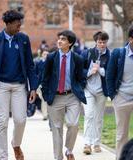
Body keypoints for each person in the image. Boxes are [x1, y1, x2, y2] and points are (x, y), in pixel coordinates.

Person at [0, 10, 37, 160]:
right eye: (17, 25)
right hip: (1, 86)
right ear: (9, 24)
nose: (19, 28)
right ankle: (3, 157)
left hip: (19, 86)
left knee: (20, 120)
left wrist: (33, 87)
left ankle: (15, 144)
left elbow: (30, 65)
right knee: (2, 121)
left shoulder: (23, 39)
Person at [41, 30, 86, 160]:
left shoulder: (78, 59)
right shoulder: (51, 57)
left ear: (70, 43)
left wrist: (79, 89)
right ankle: (58, 157)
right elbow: (45, 77)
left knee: (73, 124)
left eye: (63, 39)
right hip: (55, 97)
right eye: (59, 39)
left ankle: (68, 149)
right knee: (56, 129)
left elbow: (81, 78)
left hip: (72, 96)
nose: (59, 41)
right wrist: (46, 94)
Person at [106, 25, 133, 160]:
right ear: (131, 39)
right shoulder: (118, 53)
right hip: (121, 99)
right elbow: (109, 76)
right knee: (122, 134)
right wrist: (113, 97)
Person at [82, 31, 110, 154]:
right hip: (88, 89)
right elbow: (80, 71)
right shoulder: (87, 53)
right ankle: (87, 144)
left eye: (104, 42)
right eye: (100, 42)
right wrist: (89, 72)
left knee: (98, 118)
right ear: (96, 42)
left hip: (102, 91)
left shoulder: (110, 55)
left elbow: (111, 73)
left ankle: (97, 143)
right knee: (89, 115)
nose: (102, 44)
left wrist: (100, 70)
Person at [35, 49, 49, 120]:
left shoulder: (50, 63)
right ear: (42, 55)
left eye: (47, 54)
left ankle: (46, 114)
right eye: (44, 54)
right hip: (40, 84)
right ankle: (45, 114)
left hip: (48, 84)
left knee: (45, 100)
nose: (46, 56)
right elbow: (36, 73)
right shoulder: (38, 63)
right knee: (43, 99)